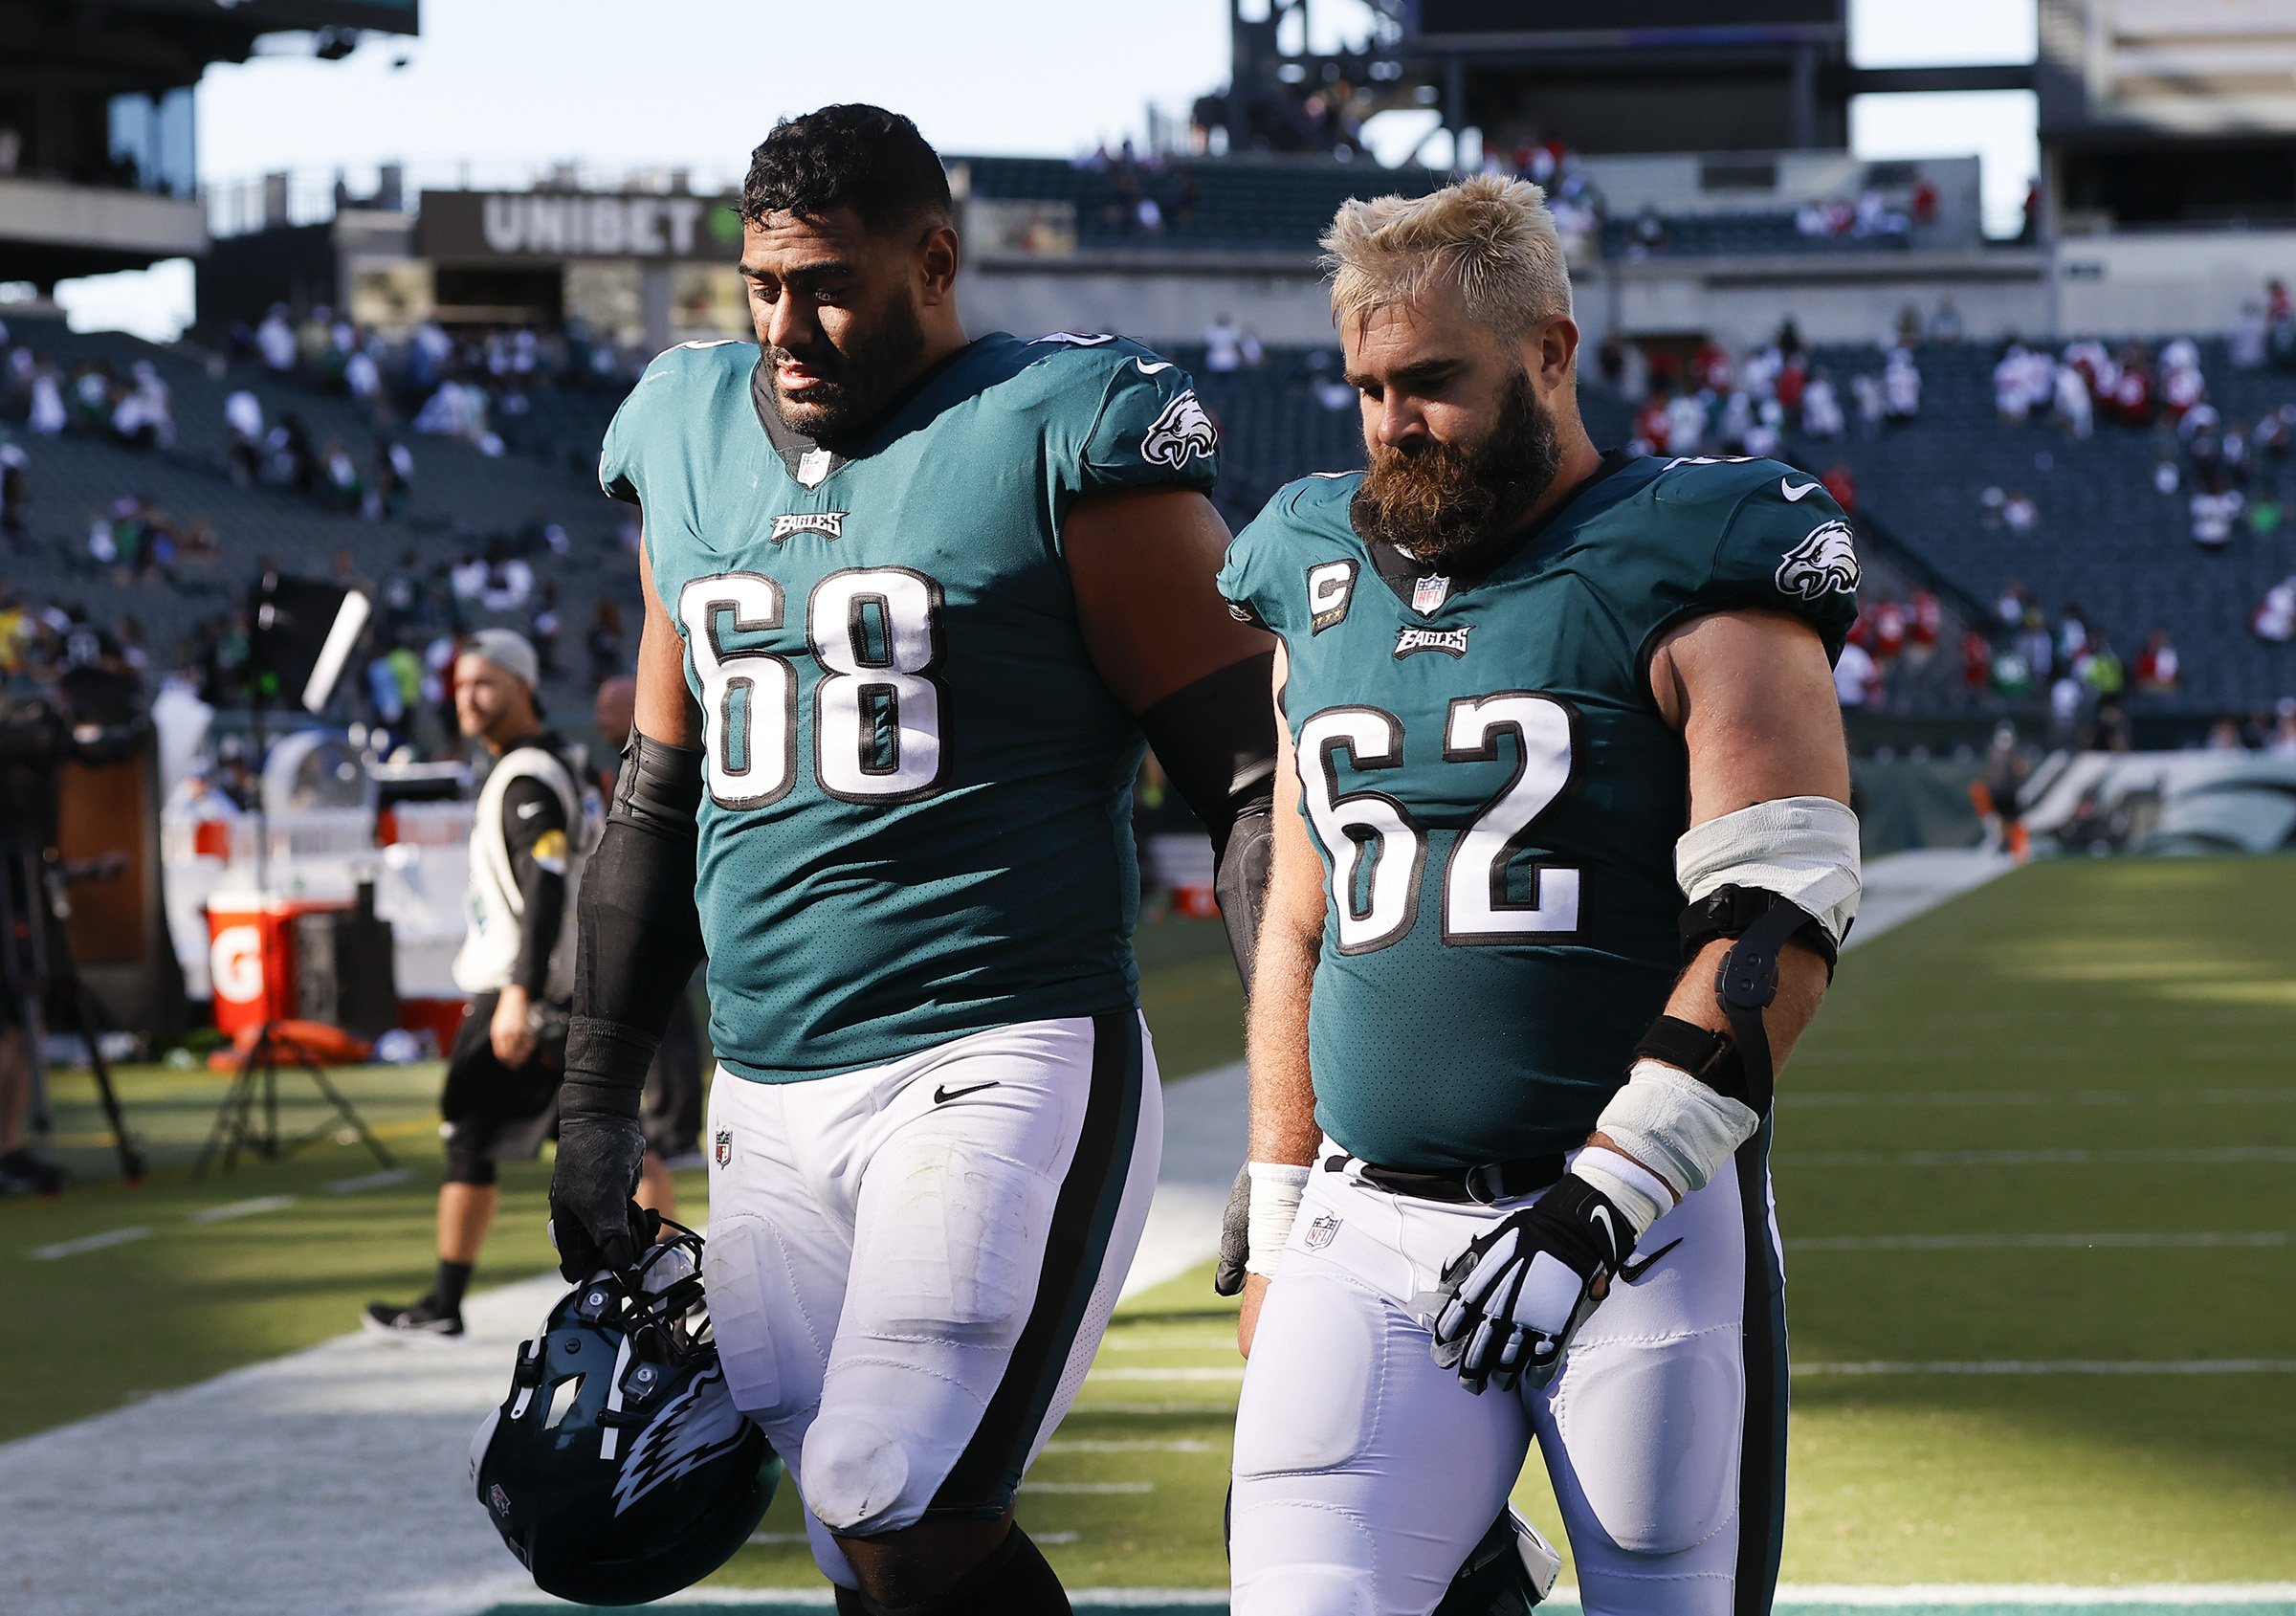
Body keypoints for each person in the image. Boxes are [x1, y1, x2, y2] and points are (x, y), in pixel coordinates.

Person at [548, 105, 1275, 1614]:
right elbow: (655, 792)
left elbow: (1259, 792)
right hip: (764, 1082)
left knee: (893, 1492)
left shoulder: (1060, 431)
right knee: (854, 1542)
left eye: (824, 283)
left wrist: (1298, 1122)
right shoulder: (683, 431)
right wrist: (595, 1093)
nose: (785, 327)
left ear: (934, 261)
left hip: (999, 1045)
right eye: (758, 286)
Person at [1214, 175, 1857, 1615]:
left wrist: (1599, 1203)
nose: (1393, 423)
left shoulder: (1698, 552)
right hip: (1367, 1230)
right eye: (1369, 388)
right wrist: (1273, 1196)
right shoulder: (1313, 566)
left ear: (1550, 354)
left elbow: (1778, 924)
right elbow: (1302, 918)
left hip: (1639, 1233)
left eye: (1433, 381)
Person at [364, 630, 590, 1340]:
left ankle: (444, 1301)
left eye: (484, 683)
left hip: (523, 987)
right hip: (546, 984)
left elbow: (544, 887)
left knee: (478, 1135)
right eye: (460, 684)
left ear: (523, 685)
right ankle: (445, 1300)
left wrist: (521, 991)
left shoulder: (526, 775)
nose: (467, 696)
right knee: (593, 1135)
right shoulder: (534, 766)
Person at [591, 671, 702, 1217]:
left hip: (680, 905)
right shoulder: (613, 761)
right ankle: (670, 1126)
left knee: (673, 1025)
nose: (601, 718)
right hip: (652, 906)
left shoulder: (675, 752)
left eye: (611, 708)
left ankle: (677, 1130)